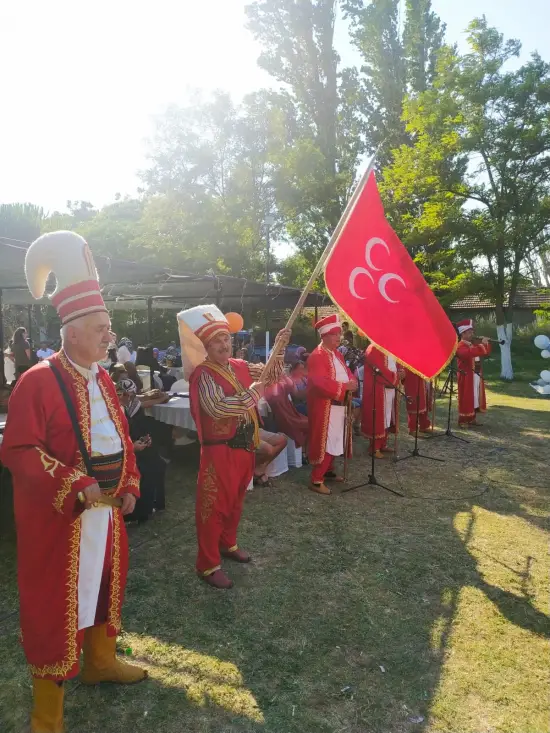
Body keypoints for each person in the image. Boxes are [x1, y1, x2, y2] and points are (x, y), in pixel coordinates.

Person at [1, 231, 146, 733]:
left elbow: (120, 436)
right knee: (54, 607)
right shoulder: (36, 381)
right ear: (73, 332)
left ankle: (100, 662)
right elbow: (17, 449)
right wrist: (69, 479)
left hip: (106, 514)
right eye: (102, 328)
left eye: (108, 327)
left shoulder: (102, 377)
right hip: (60, 521)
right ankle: (47, 717)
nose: (110, 336)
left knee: (104, 586)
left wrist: (130, 481)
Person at [179, 304, 289, 589]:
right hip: (219, 451)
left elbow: (270, 376)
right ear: (206, 346)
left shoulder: (239, 366)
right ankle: (207, 564)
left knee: (236, 501)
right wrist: (251, 396)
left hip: (243, 447)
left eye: (226, 339)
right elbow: (216, 407)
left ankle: (228, 544)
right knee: (213, 507)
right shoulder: (203, 374)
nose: (223, 344)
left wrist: (279, 347)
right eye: (216, 341)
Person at [307, 314, 356, 495]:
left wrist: (352, 382)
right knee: (328, 442)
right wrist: (345, 387)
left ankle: (328, 471)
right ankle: (316, 479)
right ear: (325, 335)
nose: (338, 337)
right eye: (335, 334)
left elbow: (348, 372)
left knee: (336, 439)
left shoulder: (337, 354)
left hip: (338, 406)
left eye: (339, 334)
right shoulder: (317, 356)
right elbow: (319, 383)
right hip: (325, 406)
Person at [116, 378, 166, 522]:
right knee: (146, 469)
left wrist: (145, 438)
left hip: (132, 448)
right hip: (121, 454)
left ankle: (154, 504)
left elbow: (135, 429)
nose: (127, 398)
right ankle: (139, 513)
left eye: (130, 395)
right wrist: (133, 446)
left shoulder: (131, 406)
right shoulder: (113, 411)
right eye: (124, 394)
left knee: (158, 463)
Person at [361, 343, 403, 458]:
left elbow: (397, 363)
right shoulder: (373, 349)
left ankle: (383, 444)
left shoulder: (390, 347)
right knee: (379, 418)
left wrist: (401, 371)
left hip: (390, 388)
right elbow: (380, 371)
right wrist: (396, 376)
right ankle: (374, 448)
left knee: (387, 417)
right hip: (379, 388)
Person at [456, 319, 491, 426]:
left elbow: (485, 352)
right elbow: (469, 353)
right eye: (469, 332)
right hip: (466, 376)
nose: (472, 334)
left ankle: (472, 418)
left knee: (475, 397)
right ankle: (463, 420)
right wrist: (482, 345)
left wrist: (485, 344)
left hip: (475, 374)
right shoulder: (460, 346)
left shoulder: (471, 344)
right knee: (466, 397)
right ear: (463, 333)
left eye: (472, 332)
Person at [264, 369, 309, 453]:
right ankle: (305, 452)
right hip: (283, 417)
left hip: (290, 412)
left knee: (311, 423)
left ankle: (305, 452)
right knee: (309, 424)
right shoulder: (270, 386)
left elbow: (295, 392)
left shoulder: (283, 383)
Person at [403, 368, 433, 435]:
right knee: (414, 403)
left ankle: (423, 426)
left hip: (424, 377)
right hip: (412, 377)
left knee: (425, 401)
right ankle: (412, 428)